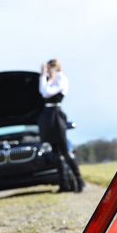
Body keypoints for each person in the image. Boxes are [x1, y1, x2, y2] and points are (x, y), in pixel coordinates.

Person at [37, 59, 85, 192]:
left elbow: (46, 92)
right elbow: (42, 91)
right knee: (56, 152)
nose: (48, 71)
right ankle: (64, 184)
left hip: (57, 114)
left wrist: (47, 78)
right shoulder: (47, 79)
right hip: (47, 115)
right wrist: (42, 76)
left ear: (54, 68)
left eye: (49, 68)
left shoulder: (61, 79)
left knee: (65, 150)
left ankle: (79, 180)